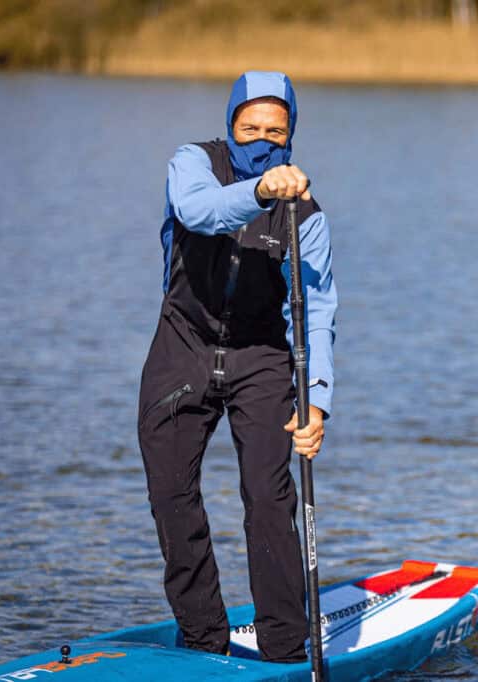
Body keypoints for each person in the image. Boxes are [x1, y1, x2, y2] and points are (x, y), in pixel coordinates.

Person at [137, 71, 336, 663]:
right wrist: (260, 191)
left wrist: (316, 399)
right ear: (230, 126)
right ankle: (203, 639)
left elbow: (319, 307)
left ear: (291, 135)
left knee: (270, 501)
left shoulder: (308, 214)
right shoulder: (191, 163)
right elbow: (199, 213)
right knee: (172, 495)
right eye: (250, 127)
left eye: (276, 131)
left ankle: (284, 648)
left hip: (262, 357)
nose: (262, 139)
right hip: (182, 346)